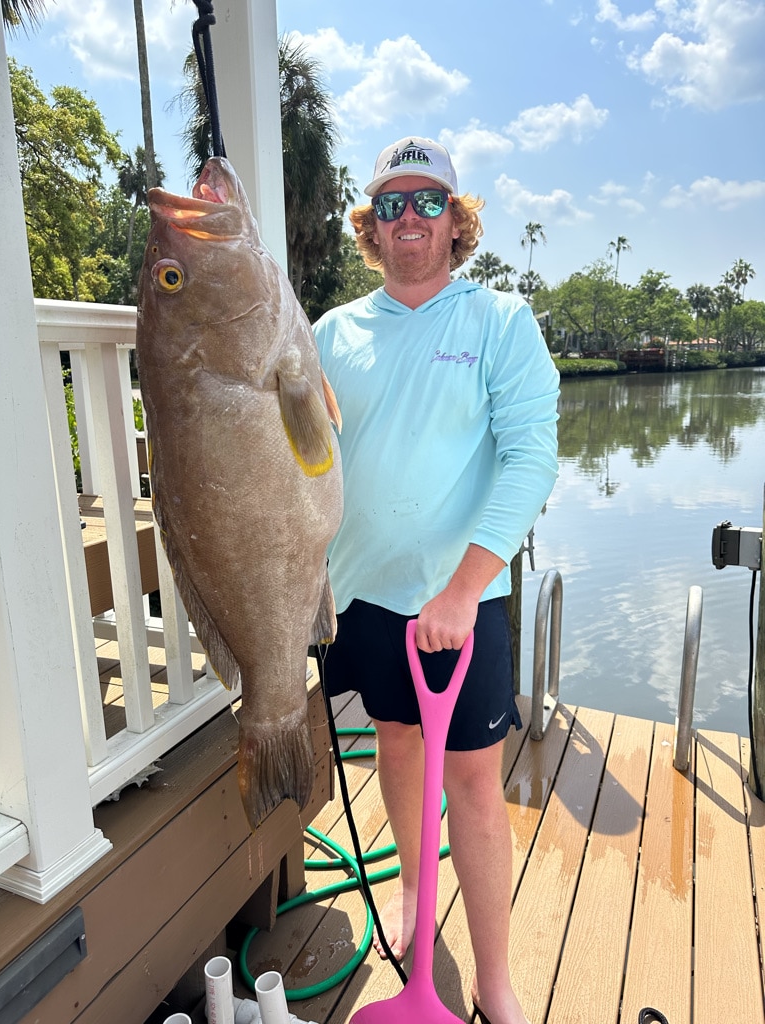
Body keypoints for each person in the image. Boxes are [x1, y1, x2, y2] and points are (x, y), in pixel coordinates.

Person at [313, 136, 559, 1024]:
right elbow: (302, 460)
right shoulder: (330, 334)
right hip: (366, 600)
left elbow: (531, 459)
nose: (409, 218)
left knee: (474, 785)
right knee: (397, 745)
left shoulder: (499, 320)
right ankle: (420, 909)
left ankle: (494, 981)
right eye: (390, 204)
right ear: (370, 228)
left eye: (428, 202)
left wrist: (463, 588)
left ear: (457, 222)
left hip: (465, 603)